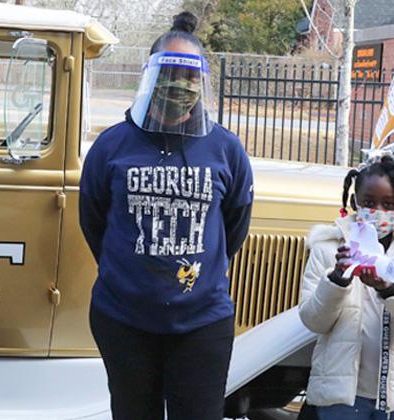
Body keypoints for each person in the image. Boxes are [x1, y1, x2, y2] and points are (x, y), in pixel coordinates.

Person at [78, 11, 254, 419]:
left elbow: (234, 228)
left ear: (201, 83)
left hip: (202, 322)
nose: (179, 85)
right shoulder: (112, 145)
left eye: (189, 77)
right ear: (149, 77)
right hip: (123, 318)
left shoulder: (226, 149)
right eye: (169, 73)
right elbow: (94, 221)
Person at [299, 156, 394, 419]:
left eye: (388, 204)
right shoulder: (327, 248)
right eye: (368, 203)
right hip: (340, 398)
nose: (377, 212)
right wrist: (338, 279)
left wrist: (391, 290)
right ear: (355, 202)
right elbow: (313, 320)